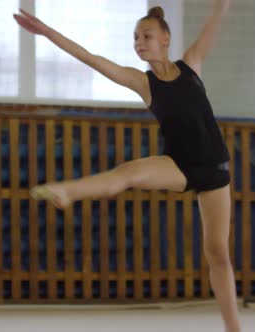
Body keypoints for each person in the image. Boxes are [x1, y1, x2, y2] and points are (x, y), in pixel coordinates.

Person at [13, 2, 240, 331]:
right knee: (129, 173)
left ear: (165, 39)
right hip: (178, 164)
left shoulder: (191, 64)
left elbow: (213, 24)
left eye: (146, 35)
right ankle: (66, 191)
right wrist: (47, 32)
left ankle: (233, 328)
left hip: (215, 168)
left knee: (217, 253)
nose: (139, 42)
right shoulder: (142, 82)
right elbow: (92, 59)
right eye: (135, 37)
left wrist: (222, 5)